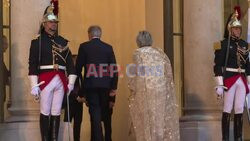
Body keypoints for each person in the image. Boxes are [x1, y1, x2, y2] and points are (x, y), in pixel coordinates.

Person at [28, 4, 77, 141]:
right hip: (45, 79)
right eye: (51, 22)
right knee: (45, 111)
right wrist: (34, 85)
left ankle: (54, 139)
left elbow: (70, 65)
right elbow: (32, 64)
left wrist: (71, 83)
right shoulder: (37, 41)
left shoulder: (62, 41)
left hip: (61, 80)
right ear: (44, 23)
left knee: (56, 112)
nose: (54, 24)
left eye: (55, 22)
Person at [127, 31, 180, 141]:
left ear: (138, 41)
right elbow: (168, 73)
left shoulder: (138, 53)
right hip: (161, 91)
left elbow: (135, 73)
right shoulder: (160, 53)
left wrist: (131, 89)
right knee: (159, 119)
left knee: (146, 120)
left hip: (145, 91)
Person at [75, 25, 118, 141]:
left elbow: (78, 69)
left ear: (89, 34)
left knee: (95, 115)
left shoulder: (84, 47)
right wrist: (114, 87)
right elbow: (114, 69)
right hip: (106, 87)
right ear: (100, 34)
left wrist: (80, 90)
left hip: (91, 86)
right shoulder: (108, 48)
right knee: (106, 115)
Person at [214, 10, 250, 141]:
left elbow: (248, 64)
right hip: (229, 79)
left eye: (239, 28)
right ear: (230, 29)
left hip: (242, 79)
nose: (238, 31)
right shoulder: (223, 44)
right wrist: (219, 84)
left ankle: (238, 138)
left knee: (239, 108)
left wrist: (249, 81)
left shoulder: (245, 45)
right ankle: (225, 138)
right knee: (227, 108)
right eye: (235, 28)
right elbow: (218, 65)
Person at [63, 55, 84, 141]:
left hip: (79, 104)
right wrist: (77, 97)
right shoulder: (68, 73)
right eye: (76, 61)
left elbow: (81, 86)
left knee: (78, 125)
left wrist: (84, 97)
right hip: (70, 102)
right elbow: (68, 87)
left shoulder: (79, 74)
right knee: (68, 124)